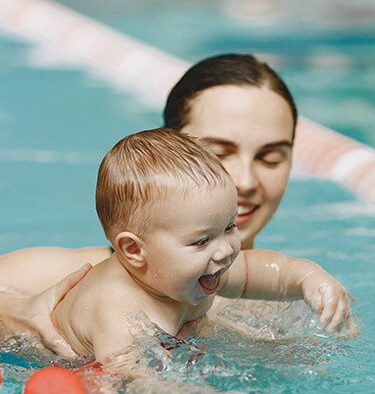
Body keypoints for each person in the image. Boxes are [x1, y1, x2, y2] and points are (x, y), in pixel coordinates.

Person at [0, 54, 319, 343]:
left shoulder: (294, 298)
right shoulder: (85, 278)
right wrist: (9, 311)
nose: (245, 180)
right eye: (218, 153)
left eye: (272, 158)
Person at [51, 128, 349, 363]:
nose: (226, 250)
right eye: (202, 240)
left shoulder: (198, 269)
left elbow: (263, 273)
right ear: (134, 250)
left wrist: (308, 278)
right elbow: (137, 388)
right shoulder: (117, 312)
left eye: (230, 227)